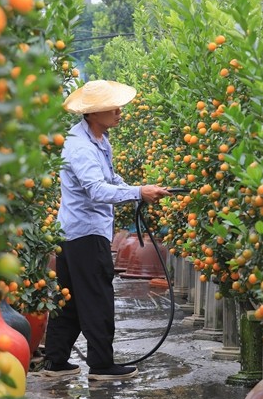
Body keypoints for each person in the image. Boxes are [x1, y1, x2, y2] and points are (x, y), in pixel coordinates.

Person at [39, 80, 171, 380]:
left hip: (75, 233)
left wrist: (143, 189)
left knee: (70, 300)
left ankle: (55, 362)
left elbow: (110, 178)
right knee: (97, 297)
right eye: (111, 107)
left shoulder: (98, 139)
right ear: (92, 113)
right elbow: (97, 190)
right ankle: (101, 365)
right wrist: (138, 193)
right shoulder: (81, 147)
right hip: (86, 234)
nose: (118, 111)